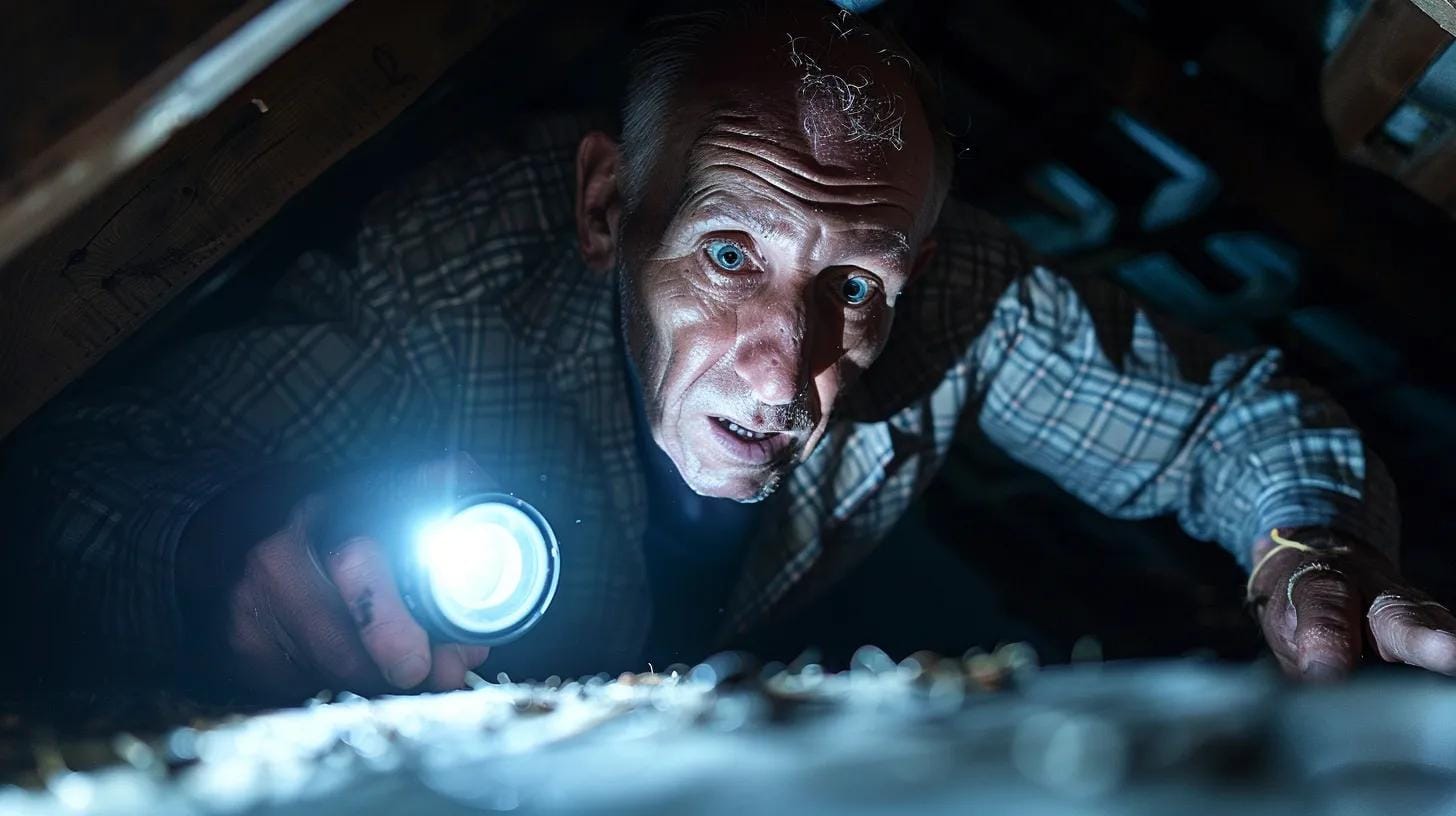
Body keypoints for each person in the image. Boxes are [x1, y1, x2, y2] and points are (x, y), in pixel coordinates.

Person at [3, 0, 1453, 701]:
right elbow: (71, 481)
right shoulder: (450, 282)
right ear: (602, 206)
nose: (786, 372)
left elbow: (1229, 422)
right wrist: (215, 552)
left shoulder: (962, 301)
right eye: (729, 256)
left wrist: (1303, 557)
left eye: (857, 291)